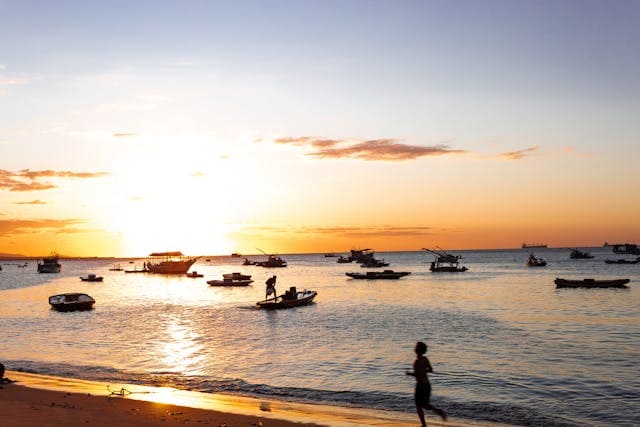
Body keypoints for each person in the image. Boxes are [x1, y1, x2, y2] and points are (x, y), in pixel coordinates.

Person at [406, 341, 447, 426]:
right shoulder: (425, 359)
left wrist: (409, 373)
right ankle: (438, 411)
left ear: (416, 350)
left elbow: (417, 375)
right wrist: (424, 370)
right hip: (427, 385)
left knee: (419, 406)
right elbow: (431, 370)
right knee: (425, 405)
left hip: (420, 385)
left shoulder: (416, 362)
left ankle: (424, 424)